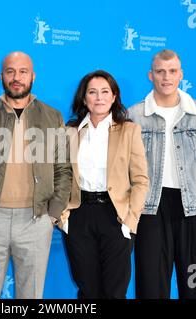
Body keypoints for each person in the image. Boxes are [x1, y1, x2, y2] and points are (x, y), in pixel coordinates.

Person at [0, 51, 72, 299]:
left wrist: (51, 216)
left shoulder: (52, 116)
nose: (16, 77)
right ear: (1, 76)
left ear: (33, 76)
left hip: (35, 220)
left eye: (23, 72)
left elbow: (63, 169)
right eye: (10, 71)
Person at [129, 49, 196, 299]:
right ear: (150, 75)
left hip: (193, 213)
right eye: (160, 72)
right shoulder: (134, 116)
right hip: (151, 213)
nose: (166, 77)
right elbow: (122, 167)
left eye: (172, 71)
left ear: (181, 75)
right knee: (152, 288)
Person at [59, 70, 149, 298]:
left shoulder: (129, 130)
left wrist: (130, 221)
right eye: (92, 92)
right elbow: (58, 176)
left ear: (114, 96)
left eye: (104, 92)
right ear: (84, 98)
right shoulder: (69, 132)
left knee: (114, 291)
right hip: (79, 216)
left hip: (116, 216)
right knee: (88, 290)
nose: (99, 97)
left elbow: (140, 180)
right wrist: (62, 217)